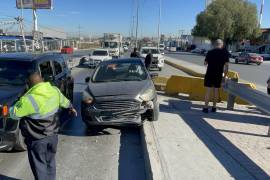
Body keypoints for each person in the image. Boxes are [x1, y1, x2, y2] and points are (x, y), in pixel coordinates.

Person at [8, 72, 77, 180]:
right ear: (42, 80)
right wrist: (71, 108)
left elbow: (13, 114)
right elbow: (66, 103)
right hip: (53, 136)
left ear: (28, 84)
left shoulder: (28, 100)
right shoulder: (54, 90)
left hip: (37, 139)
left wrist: (19, 100)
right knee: (50, 162)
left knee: (39, 167)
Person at [203, 39, 229, 113]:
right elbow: (226, 66)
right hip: (218, 74)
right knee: (216, 91)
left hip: (209, 74)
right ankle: (214, 107)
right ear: (221, 44)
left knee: (208, 91)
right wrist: (224, 76)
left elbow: (205, 63)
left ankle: (205, 108)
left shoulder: (210, 52)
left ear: (214, 44)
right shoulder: (225, 53)